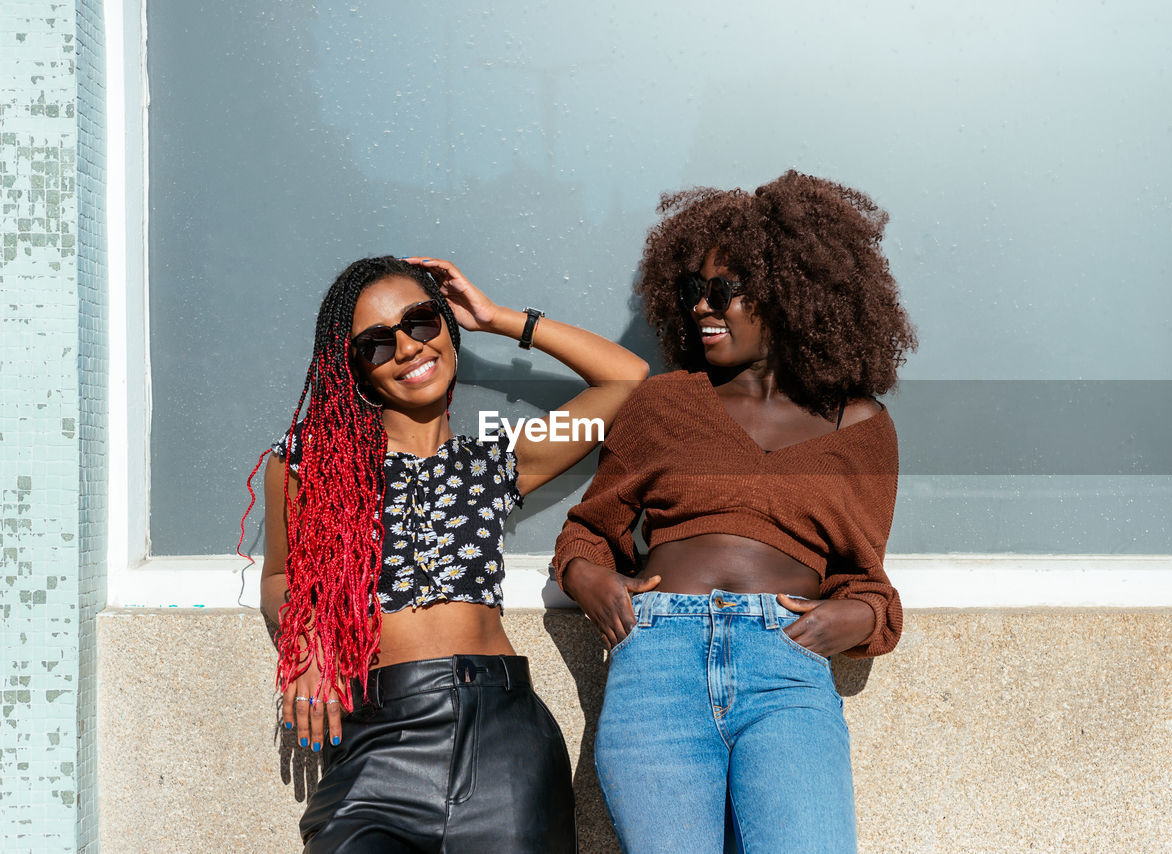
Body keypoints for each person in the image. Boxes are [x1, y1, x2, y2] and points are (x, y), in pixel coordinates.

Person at [552, 171, 917, 853]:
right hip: (657, 661)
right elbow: (587, 532)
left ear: (789, 294)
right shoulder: (662, 405)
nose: (702, 307)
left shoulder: (860, 426)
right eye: (692, 290)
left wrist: (849, 619)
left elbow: (868, 582)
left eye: (725, 290)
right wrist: (593, 582)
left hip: (785, 667)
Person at [247, 255, 648, 853]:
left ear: (447, 328)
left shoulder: (495, 462)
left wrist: (497, 318)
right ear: (354, 368)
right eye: (377, 344)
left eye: (420, 322)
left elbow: (626, 379)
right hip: (373, 743)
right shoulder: (313, 462)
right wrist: (307, 645)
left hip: (503, 742)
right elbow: (280, 575)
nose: (406, 348)